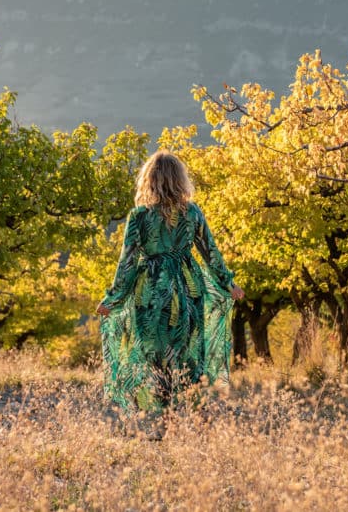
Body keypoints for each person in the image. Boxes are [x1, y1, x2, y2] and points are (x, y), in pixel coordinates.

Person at [96, 150, 244, 412]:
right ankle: (185, 412)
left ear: (149, 179)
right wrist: (228, 285)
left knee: (153, 353)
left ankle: (159, 413)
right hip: (188, 287)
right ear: (179, 179)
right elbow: (210, 253)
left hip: (150, 291)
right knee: (187, 351)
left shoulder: (139, 217)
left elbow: (127, 264)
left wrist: (113, 299)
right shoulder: (193, 213)